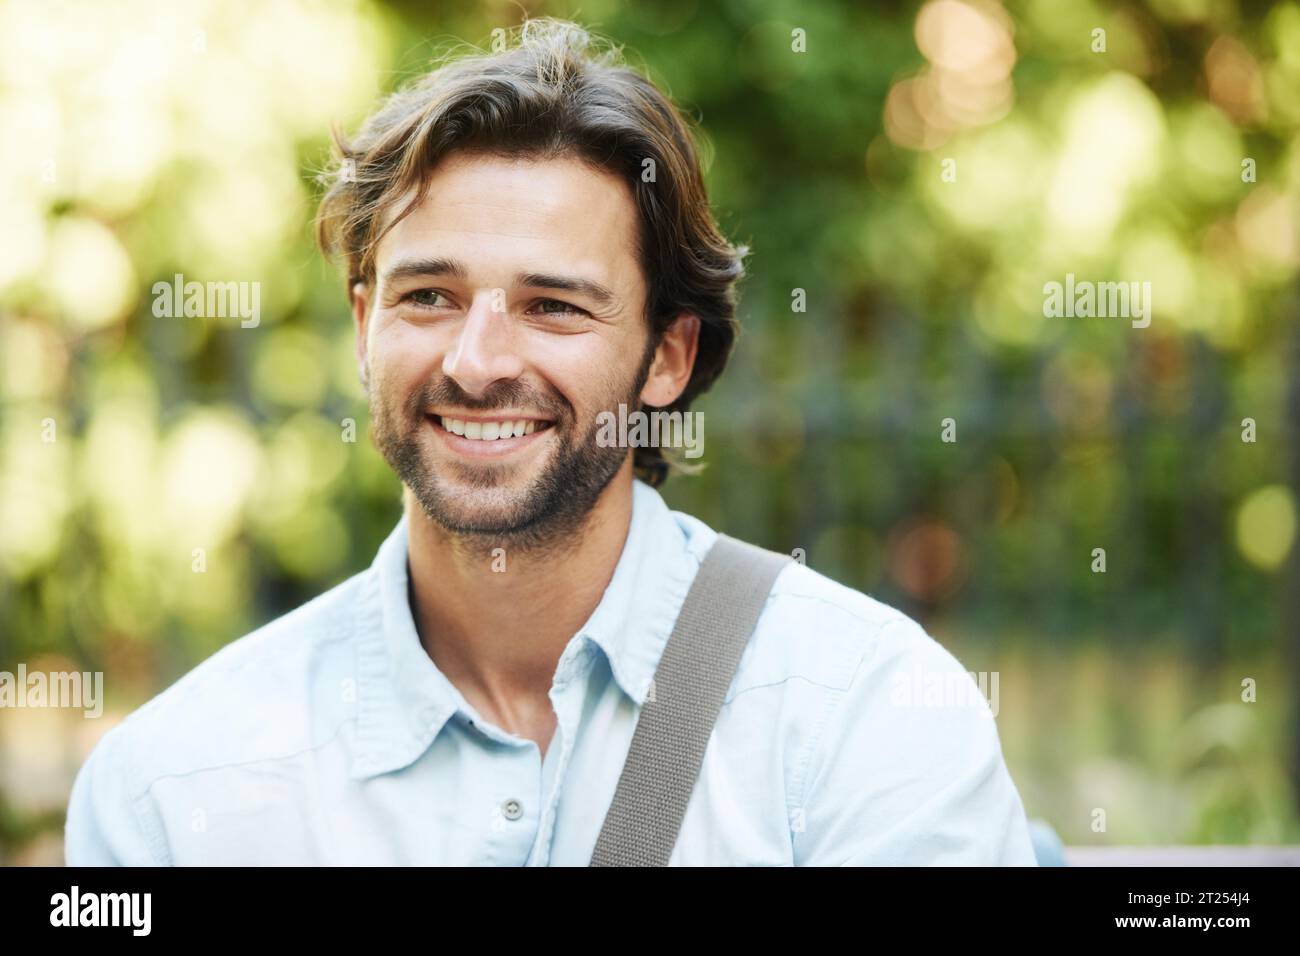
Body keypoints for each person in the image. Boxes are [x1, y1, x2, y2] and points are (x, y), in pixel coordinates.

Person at [64, 17, 1037, 866]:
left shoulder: (863, 716)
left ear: (666, 354)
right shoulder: (170, 790)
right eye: (429, 296)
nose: (478, 360)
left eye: (553, 306)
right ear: (365, 326)